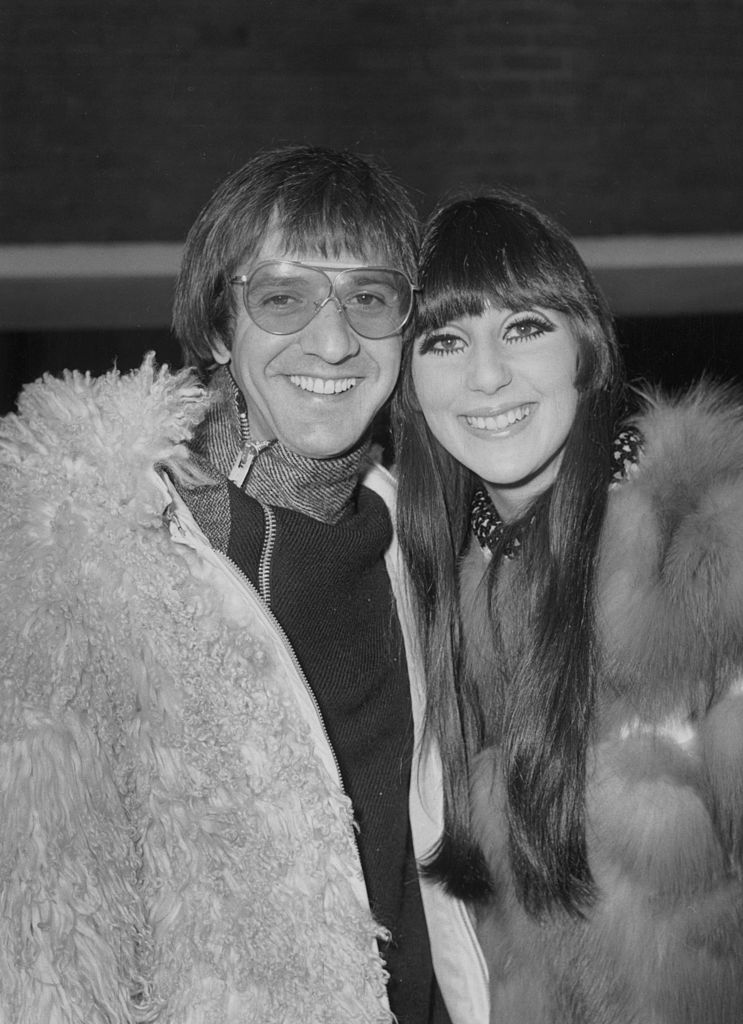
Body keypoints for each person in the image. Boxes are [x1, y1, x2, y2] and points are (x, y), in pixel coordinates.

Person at [0, 147, 488, 1023]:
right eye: (282, 297)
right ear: (222, 327)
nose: (334, 341)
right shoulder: (104, 548)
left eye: (370, 298)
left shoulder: (415, 540)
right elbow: (44, 931)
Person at [393, 190, 743, 1023]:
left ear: (584, 347)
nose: (485, 377)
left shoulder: (701, 547)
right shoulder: (436, 587)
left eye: (523, 328)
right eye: (444, 340)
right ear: (407, 384)